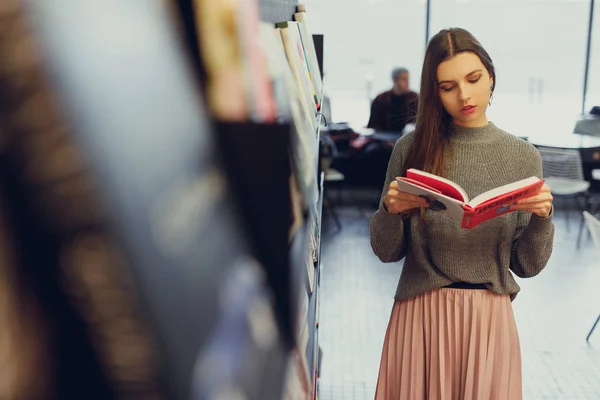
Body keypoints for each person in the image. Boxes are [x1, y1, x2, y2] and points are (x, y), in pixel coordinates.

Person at [370, 28, 554, 399]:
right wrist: (390, 212)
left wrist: (542, 220)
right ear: (434, 93)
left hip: (489, 319)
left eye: (473, 79)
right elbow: (386, 251)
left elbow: (527, 266)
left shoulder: (522, 156)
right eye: (448, 86)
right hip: (420, 315)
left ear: (491, 77)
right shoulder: (411, 149)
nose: (465, 95)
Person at [367, 67, 419, 133]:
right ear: (395, 80)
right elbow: (373, 124)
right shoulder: (381, 99)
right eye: (404, 79)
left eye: (407, 79)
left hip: (408, 137)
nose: (407, 82)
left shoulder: (415, 98)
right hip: (384, 138)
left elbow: (420, 121)